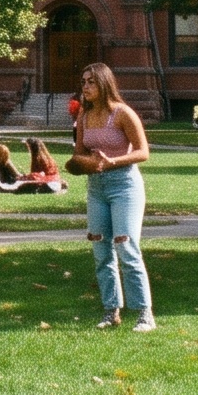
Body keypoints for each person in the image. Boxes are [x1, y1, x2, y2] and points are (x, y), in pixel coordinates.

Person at [73, 63, 155, 332]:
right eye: (84, 81)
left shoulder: (123, 114)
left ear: (104, 84)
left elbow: (143, 152)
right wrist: (79, 164)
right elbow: (80, 154)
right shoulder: (84, 116)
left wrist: (112, 162)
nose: (85, 87)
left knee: (126, 247)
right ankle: (111, 311)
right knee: (100, 250)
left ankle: (144, 314)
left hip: (124, 186)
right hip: (96, 188)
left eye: (91, 82)